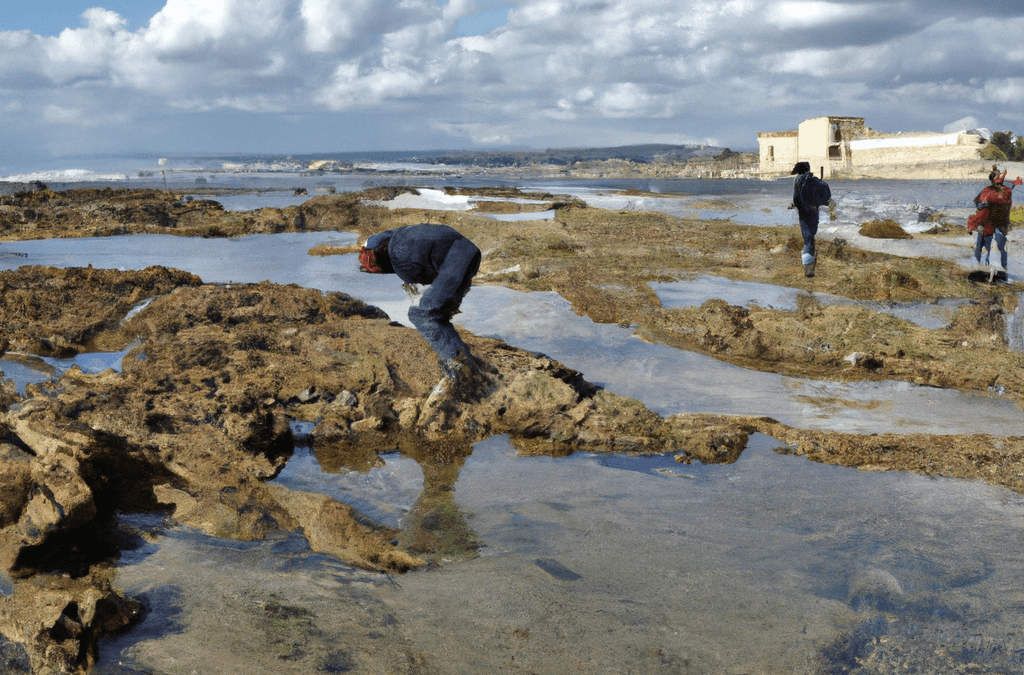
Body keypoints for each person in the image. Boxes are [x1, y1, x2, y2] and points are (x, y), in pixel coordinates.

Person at [358, 223, 482, 384]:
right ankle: (461, 359)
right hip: (468, 252)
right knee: (437, 313)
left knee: (421, 315)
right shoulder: (399, 232)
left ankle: (460, 371)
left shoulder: (397, 255)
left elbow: (418, 282)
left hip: (455, 266)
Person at [968, 166, 1022, 281]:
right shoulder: (1000, 190)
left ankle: (992, 270)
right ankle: (991, 270)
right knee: (989, 247)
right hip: (994, 222)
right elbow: (981, 203)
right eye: (999, 175)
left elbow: (979, 203)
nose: (1002, 176)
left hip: (994, 222)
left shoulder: (992, 190)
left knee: (990, 247)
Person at [790, 161, 831, 278]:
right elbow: (825, 193)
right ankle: (809, 267)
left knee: (808, 238)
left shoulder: (798, 180)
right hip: (813, 211)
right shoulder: (812, 179)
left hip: (803, 212)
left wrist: (798, 207)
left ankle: (808, 267)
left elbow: (795, 198)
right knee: (810, 237)